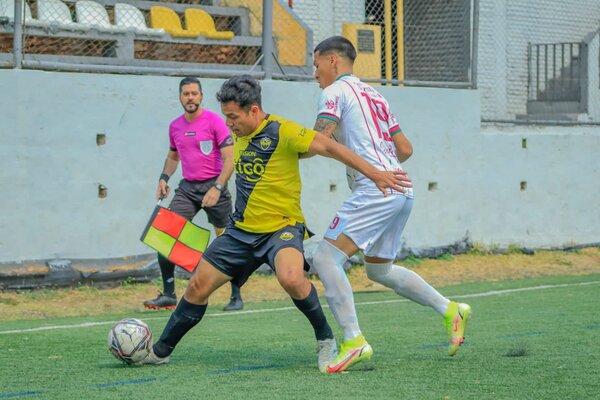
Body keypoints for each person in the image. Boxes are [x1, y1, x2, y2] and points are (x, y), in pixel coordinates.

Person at [141, 75, 410, 372]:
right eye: (225, 116)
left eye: (233, 117)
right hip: (241, 231)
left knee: (292, 278)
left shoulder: (284, 131)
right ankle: (160, 351)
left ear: (253, 110)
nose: (229, 124)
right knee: (196, 286)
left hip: (281, 228)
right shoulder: (238, 134)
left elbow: (329, 147)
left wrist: (375, 173)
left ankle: (325, 339)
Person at [308, 36, 472, 372]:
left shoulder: (334, 92)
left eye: (316, 64)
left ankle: (353, 340)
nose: (315, 72)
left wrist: (288, 146)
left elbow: (317, 141)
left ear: (333, 61)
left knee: (325, 259)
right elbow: (406, 149)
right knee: (378, 269)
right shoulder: (377, 95)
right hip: (400, 187)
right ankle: (450, 309)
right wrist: (382, 165)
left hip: (375, 189)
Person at [144, 77, 244, 312]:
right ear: (180, 97)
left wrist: (217, 188)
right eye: (186, 93)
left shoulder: (215, 122)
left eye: (194, 93)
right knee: (166, 235)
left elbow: (230, 160)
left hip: (215, 186)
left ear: (201, 96)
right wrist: (163, 178)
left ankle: (236, 296)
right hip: (188, 189)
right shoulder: (175, 126)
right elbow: (173, 156)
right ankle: (169, 295)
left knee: (227, 242)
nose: (190, 97)